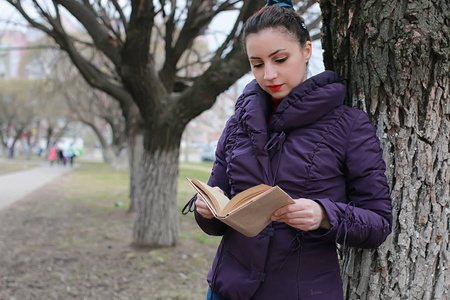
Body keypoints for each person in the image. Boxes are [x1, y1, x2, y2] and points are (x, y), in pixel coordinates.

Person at [183, 1, 392, 299]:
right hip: (228, 288)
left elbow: (379, 221)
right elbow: (218, 207)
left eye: (280, 59)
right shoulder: (236, 124)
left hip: (303, 290)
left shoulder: (349, 125)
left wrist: (323, 215)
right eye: (257, 64)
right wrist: (207, 211)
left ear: (306, 50)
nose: (268, 74)